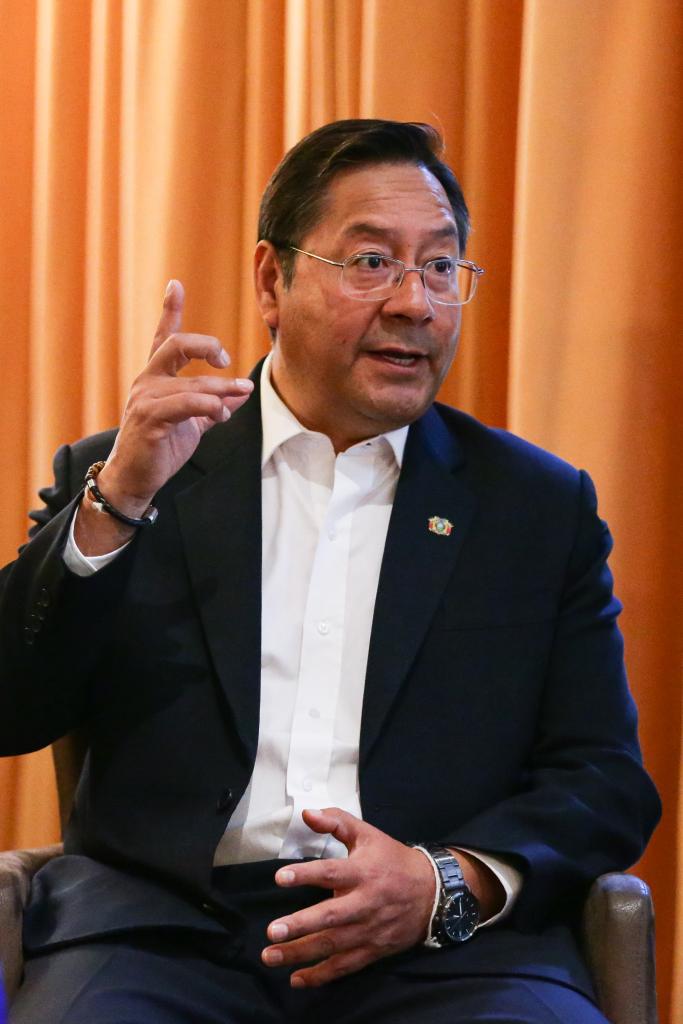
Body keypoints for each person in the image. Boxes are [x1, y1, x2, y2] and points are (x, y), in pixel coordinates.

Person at [0, 120, 660, 1023]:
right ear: (272, 281)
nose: (415, 302)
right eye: (371, 262)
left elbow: (602, 778)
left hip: (444, 953)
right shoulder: (136, 472)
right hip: (159, 938)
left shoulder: (534, 508)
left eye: (439, 266)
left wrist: (446, 882)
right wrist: (118, 499)